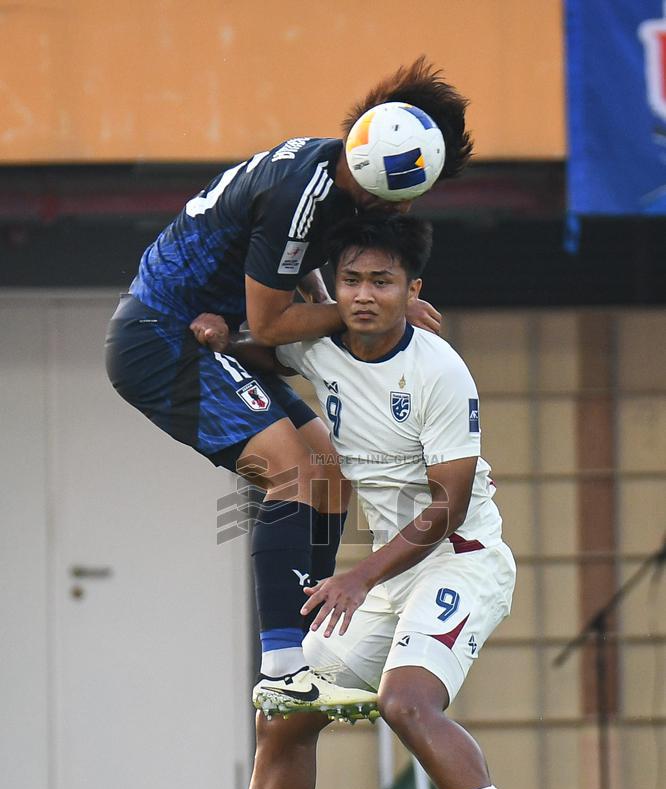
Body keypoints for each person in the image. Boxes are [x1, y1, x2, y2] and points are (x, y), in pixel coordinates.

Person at [155, 213, 551, 789]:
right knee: (287, 708)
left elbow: (449, 507)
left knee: (407, 704)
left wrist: (361, 573)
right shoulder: (319, 342)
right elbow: (263, 336)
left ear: (413, 291)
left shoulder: (439, 372)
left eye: (384, 282)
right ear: (334, 288)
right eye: (353, 280)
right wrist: (219, 333)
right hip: (389, 574)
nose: (366, 295)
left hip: (461, 561)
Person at [105, 58, 472, 714]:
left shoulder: (333, 173)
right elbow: (274, 324)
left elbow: (291, 293)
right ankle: (282, 668)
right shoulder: (303, 198)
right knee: (292, 474)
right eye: (414, 192)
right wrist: (375, 309)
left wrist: (335, 308)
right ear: (384, 187)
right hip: (161, 340)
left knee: (328, 468)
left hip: (194, 334)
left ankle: (309, 642)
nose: (414, 205)